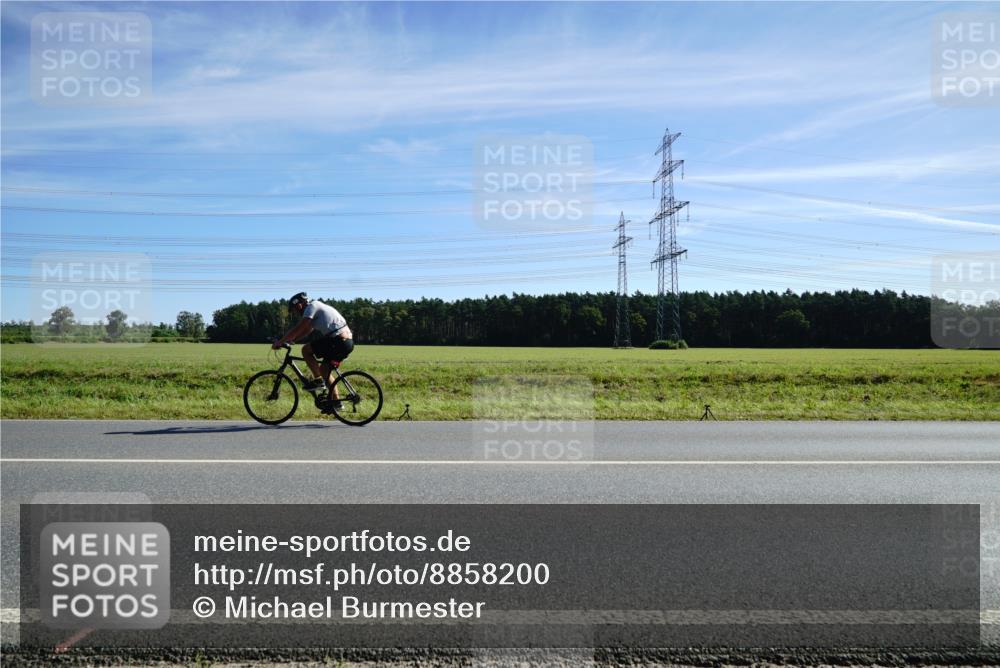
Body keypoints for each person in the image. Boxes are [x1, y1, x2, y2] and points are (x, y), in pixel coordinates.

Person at [273, 292, 353, 410]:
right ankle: (337, 403)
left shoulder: (312, 307)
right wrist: (293, 340)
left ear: (299, 305)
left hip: (338, 341)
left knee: (306, 350)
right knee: (324, 370)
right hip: (345, 342)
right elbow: (307, 330)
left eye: (295, 310)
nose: (296, 313)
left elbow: (300, 326)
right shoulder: (316, 307)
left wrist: (281, 341)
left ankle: (318, 381)